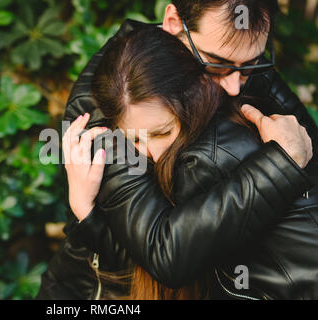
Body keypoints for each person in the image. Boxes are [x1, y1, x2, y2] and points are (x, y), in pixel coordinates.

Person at [37, 0, 316, 300]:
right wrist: (281, 163)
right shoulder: (115, 96)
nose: (235, 86)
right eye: (215, 62)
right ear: (173, 23)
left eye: (251, 64)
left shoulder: (233, 55)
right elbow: (163, 255)